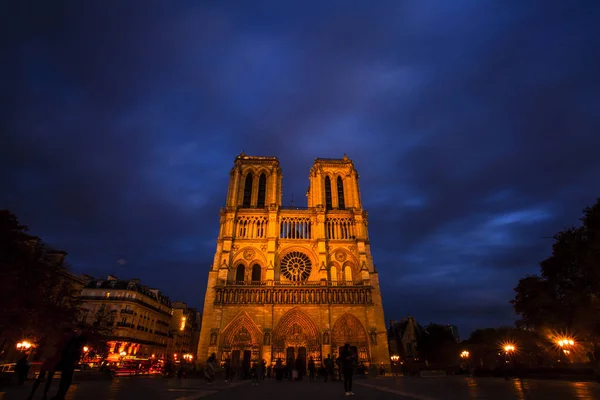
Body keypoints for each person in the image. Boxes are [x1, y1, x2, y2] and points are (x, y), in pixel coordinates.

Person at [50, 329, 87, 400]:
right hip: (69, 361)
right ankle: (61, 394)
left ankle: (60, 394)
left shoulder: (72, 341)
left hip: (67, 361)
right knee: (66, 379)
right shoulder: (75, 342)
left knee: (65, 378)